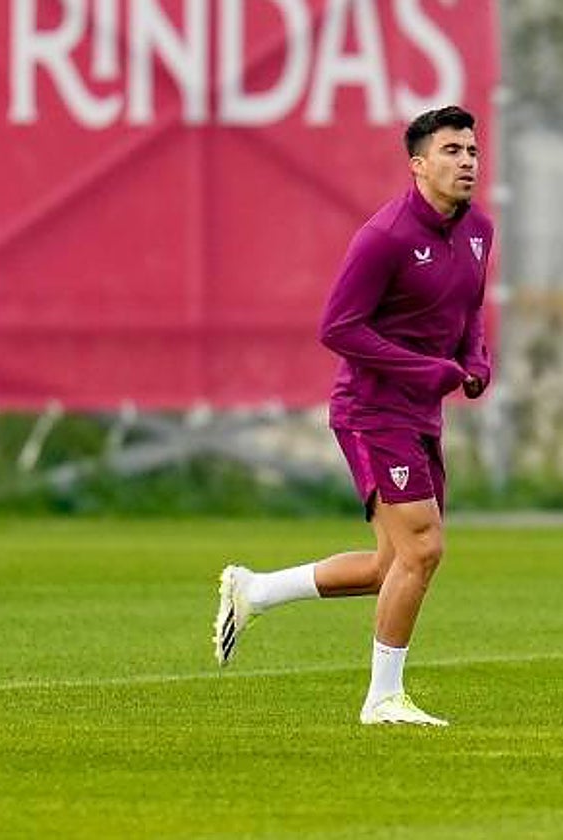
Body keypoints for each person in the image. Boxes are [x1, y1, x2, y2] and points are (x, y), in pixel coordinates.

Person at [213, 106, 492, 726]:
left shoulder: (478, 232)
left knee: (390, 567)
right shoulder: (385, 235)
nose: (467, 161)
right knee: (423, 549)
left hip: (420, 414)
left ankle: (255, 591)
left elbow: (471, 312)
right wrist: (428, 371)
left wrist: (475, 360)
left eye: (471, 151)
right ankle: (383, 699)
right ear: (418, 165)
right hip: (372, 412)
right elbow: (337, 328)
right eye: (451, 151)